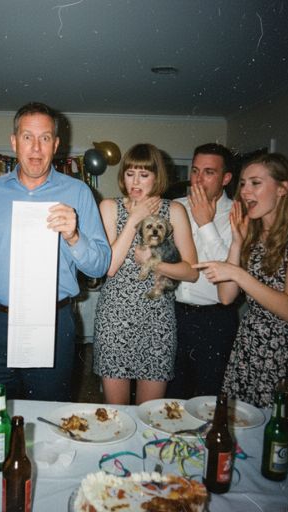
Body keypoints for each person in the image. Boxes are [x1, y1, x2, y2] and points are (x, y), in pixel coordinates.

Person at [0, 102, 111, 445]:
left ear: (56, 144)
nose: (36, 148)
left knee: (50, 426)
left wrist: (74, 236)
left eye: (45, 138)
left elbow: (99, 266)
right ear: (14, 141)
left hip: (53, 322)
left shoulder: (79, 193)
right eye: (27, 137)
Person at [93, 143, 198, 405]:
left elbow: (191, 272)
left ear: (157, 176)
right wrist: (134, 218)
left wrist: (154, 263)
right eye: (130, 174)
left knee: (150, 414)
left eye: (144, 174)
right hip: (115, 319)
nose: (135, 182)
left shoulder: (174, 211)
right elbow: (110, 267)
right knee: (117, 413)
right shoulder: (109, 207)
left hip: (157, 321)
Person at [195, 153, 288, 408]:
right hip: (250, 343)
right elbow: (226, 297)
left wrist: (237, 273)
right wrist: (237, 244)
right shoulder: (252, 232)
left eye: (255, 183)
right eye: (242, 183)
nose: (245, 191)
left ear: (283, 188)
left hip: (283, 348)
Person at [166, 143, 239, 399]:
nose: (198, 179)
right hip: (173, 313)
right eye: (195, 170)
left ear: (226, 178)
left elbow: (231, 272)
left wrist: (206, 224)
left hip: (215, 319)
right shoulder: (175, 207)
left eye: (209, 172)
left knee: (210, 397)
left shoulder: (239, 214)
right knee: (171, 397)